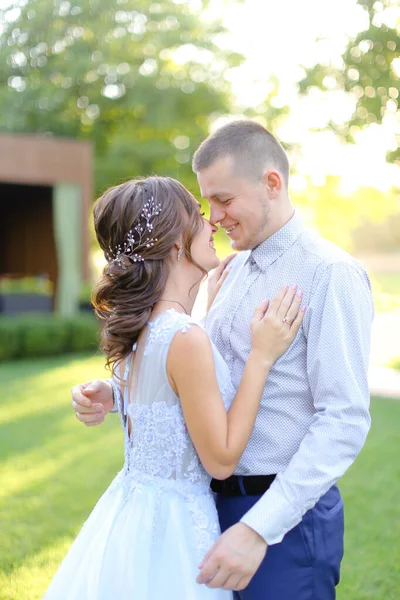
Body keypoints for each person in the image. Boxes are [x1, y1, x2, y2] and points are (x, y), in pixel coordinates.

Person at [72, 121, 374, 600]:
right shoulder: (227, 271)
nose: (212, 217)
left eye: (224, 200)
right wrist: (118, 394)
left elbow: (344, 420)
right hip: (208, 511)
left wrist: (259, 528)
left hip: (281, 520)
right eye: (205, 203)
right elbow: (201, 380)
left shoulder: (330, 274)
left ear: (271, 183)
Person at [45, 175, 304, 600]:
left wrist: (111, 394)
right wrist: (262, 356)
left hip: (131, 515)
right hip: (175, 530)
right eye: (200, 216)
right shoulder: (185, 338)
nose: (213, 224)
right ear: (174, 243)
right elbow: (220, 461)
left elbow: (163, 389)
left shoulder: (143, 328)